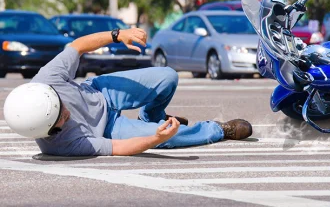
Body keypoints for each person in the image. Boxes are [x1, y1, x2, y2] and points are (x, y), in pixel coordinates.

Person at [3, 27, 252, 156]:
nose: (65, 116)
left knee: (168, 76)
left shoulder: (46, 78)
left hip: (101, 92)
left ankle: (152, 116)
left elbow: (77, 46)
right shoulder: (59, 146)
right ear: (47, 133)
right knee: (169, 138)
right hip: (109, 129)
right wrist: (156, 139)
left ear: (50, 95)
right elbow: (119, 148)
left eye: (60, 109)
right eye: (58, 124)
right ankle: (219, 129)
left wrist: (118, 34)